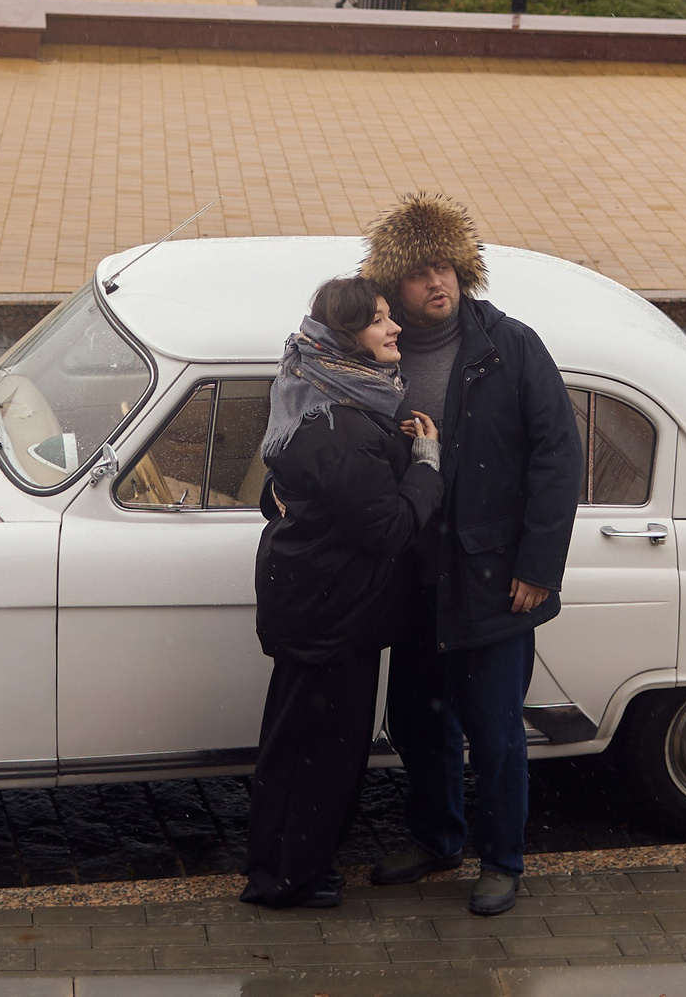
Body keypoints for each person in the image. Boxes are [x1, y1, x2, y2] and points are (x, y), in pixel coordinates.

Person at [362, 193, 581, 917]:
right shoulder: (378, 353)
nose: (439, 283)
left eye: (448, 267)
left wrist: (538, 567)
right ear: (393, 284)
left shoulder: (510, 345)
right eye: (422, 272)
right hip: (412, 578)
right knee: (419, 721)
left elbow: (558, 455)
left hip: (492, 580)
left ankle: (503, 861)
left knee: (493, 731)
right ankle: (436, 837)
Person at [241, 275, 444, 909]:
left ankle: (283, 865)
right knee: (323, 754)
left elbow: (276, 489)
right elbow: (388, 529)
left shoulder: (306, 384)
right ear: (347, 338)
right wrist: (427, 464)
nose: (394, 329)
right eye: (380, 321)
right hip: (335, 616)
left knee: (295, 743)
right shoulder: (344, 426)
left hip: (312, 603)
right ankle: (291, 878)